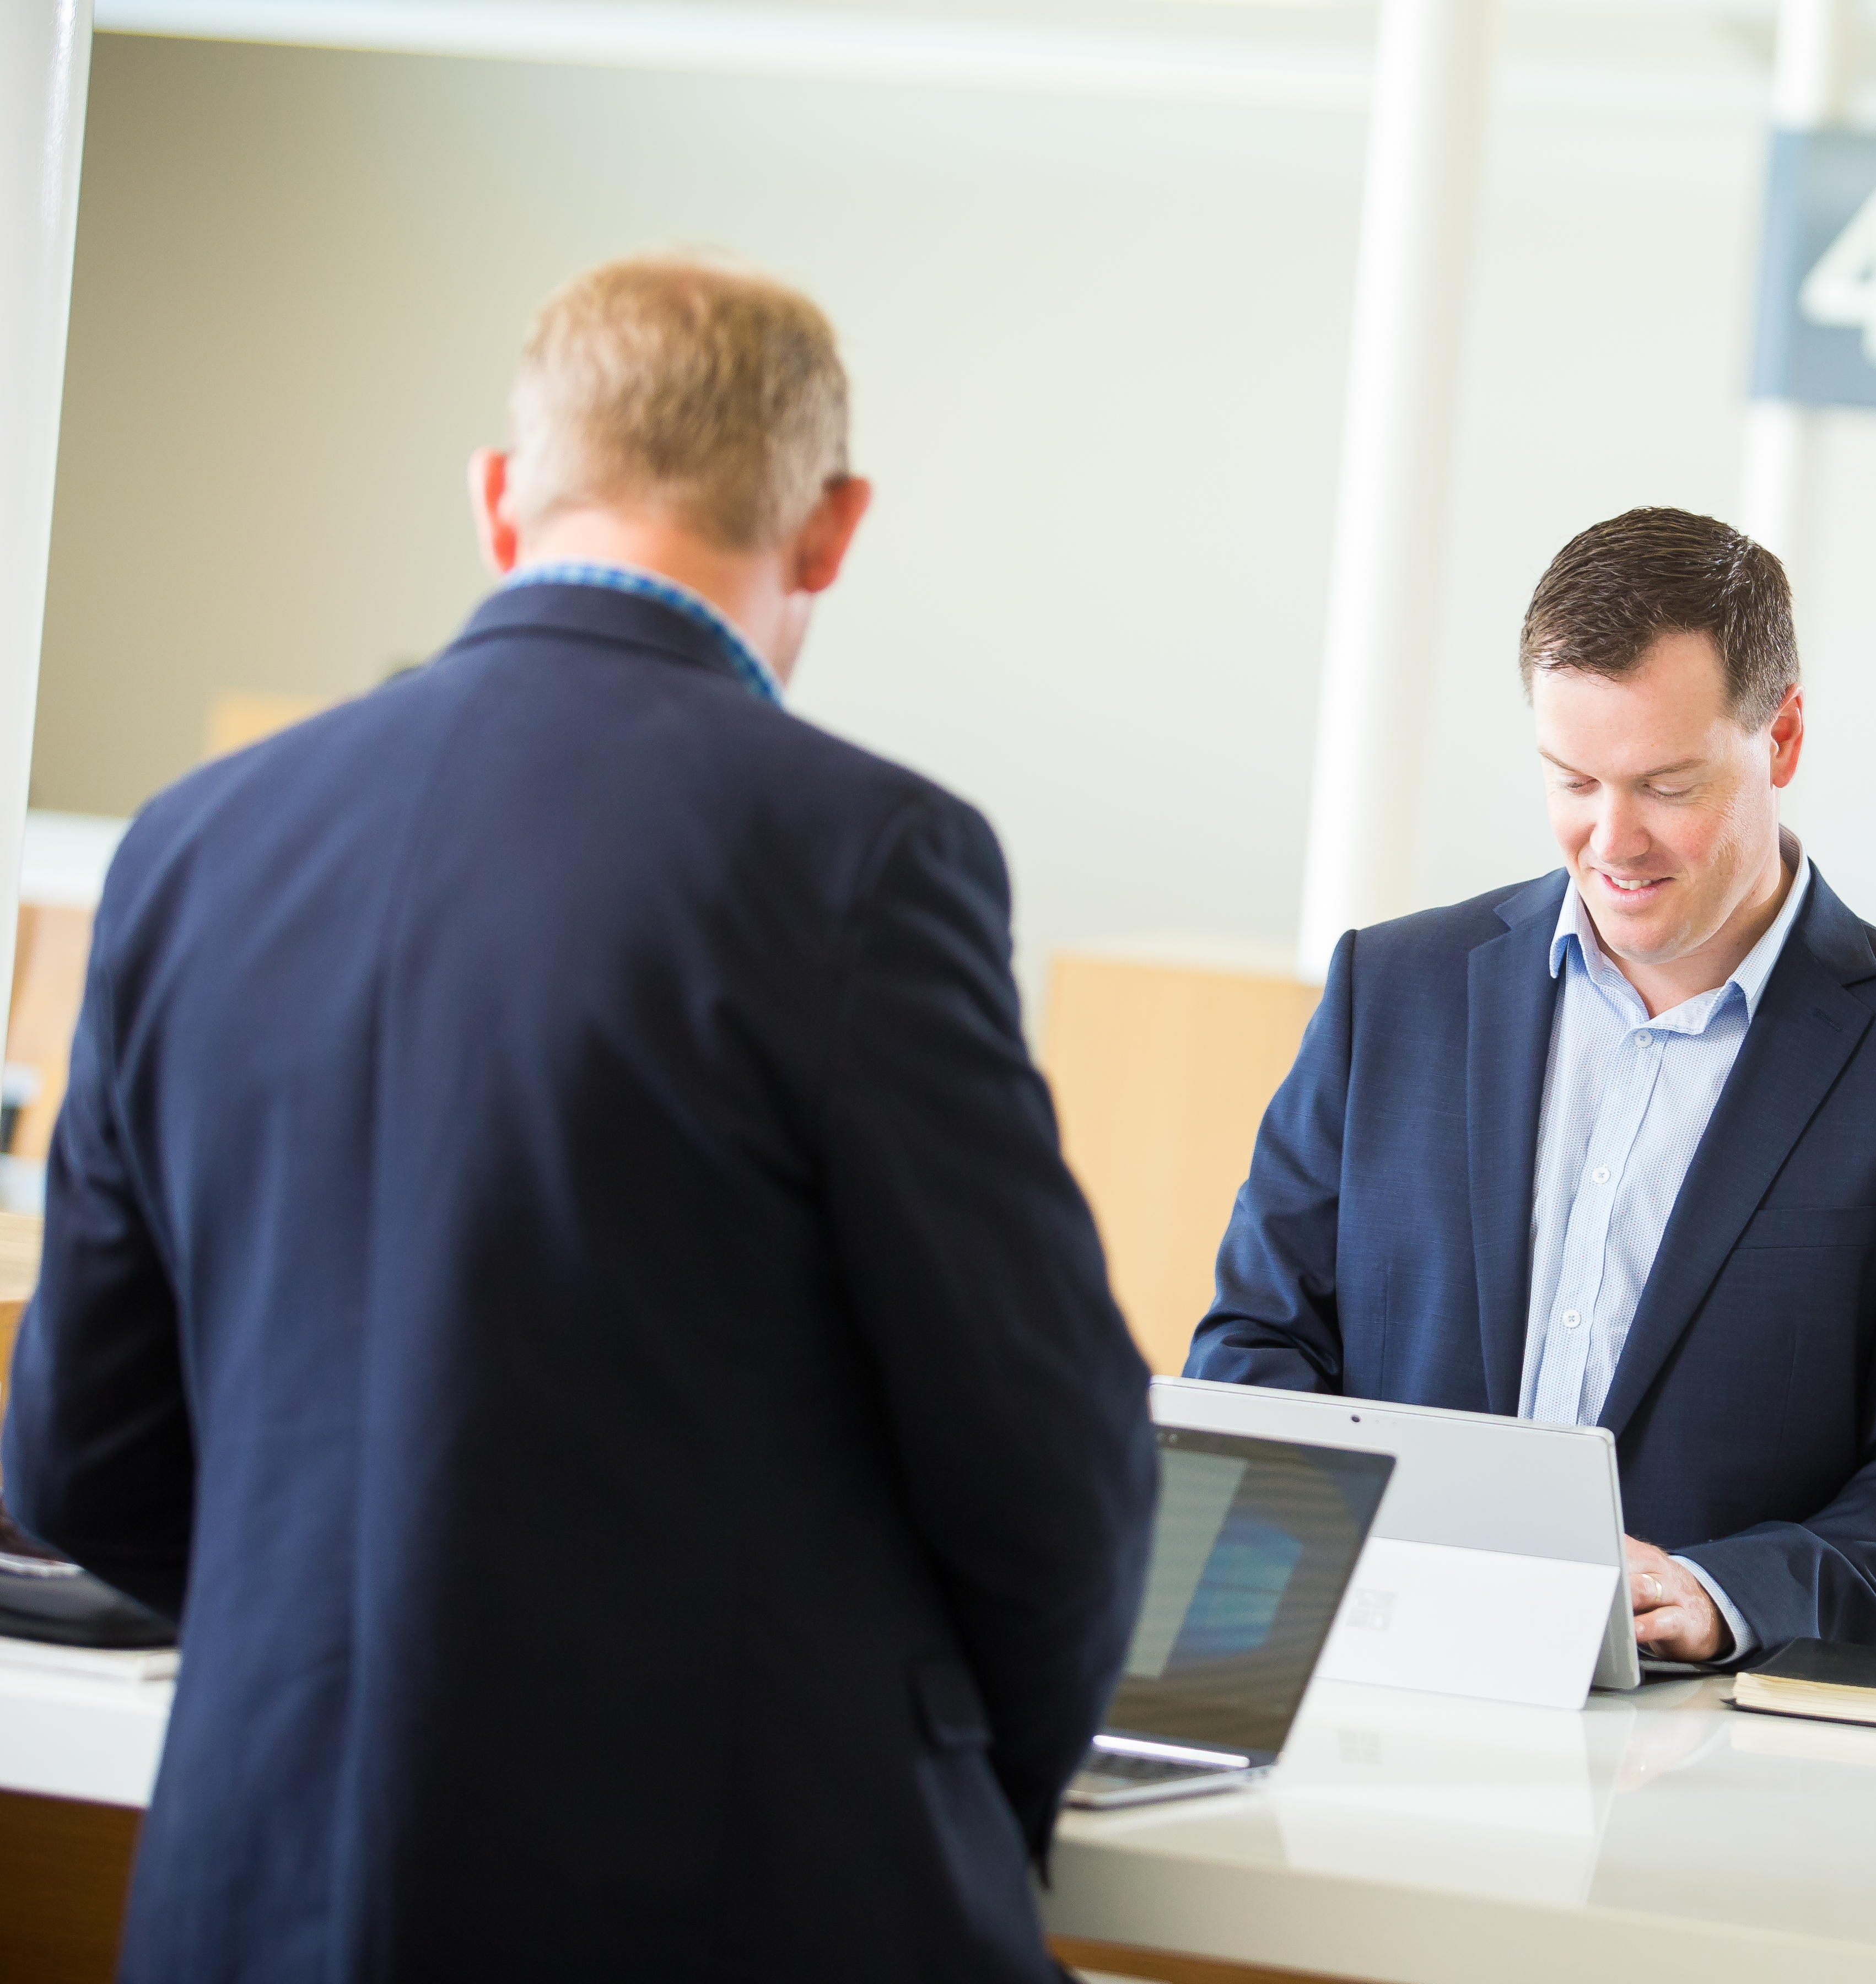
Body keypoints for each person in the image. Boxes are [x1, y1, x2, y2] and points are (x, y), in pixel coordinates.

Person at [0, 255, 1155, 1982]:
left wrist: (347, 1653)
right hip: (718, 1901)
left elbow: (78, 1458)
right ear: (831, 528)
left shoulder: (192, 844)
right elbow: (1054, 1475)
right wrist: (963, 1793)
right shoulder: (861, 858)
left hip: (259, 1892)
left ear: (496, 500)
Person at [1191, 508, 1876, 1662]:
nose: (1614, 842)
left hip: (1710, 1746)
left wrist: (1732, 1594)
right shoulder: (1390, 992)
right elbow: (1259, 1338)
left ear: (1784, 738)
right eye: (1573, 781)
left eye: (1666, 785)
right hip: (1374, 1681)